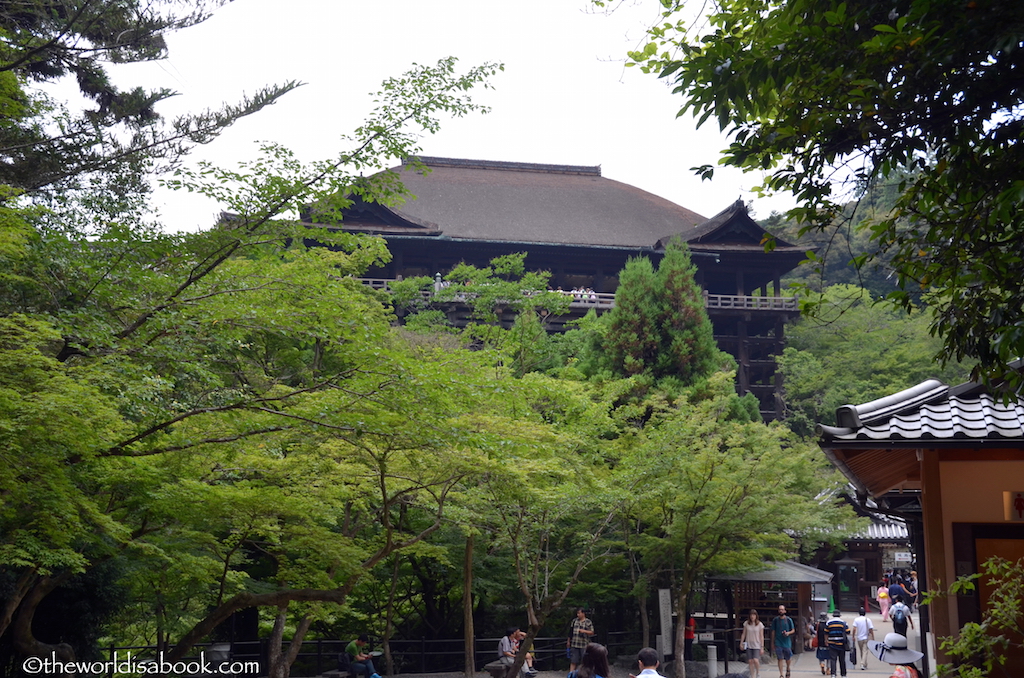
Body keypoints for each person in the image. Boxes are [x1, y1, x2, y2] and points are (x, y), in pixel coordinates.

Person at [770, 604, 796, 678]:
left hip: (787, 642)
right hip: (778, 641)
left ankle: (788, 668)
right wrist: (772, 642)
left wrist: (788, 633)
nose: (781, 611)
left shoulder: (788, 620)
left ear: (785, 611)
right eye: (779, 609)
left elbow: (793, 630)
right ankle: (781, 674)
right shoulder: (775, 620)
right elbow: (773, 631)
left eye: (782, 609)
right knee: (780, 658)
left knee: (788, 658)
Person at [567, 608, 595, 673]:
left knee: (584, 660)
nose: (578, 615)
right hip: (574, 644)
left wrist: (584, 631)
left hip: (584, 644)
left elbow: (592, 632)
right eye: (577, 613)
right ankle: (571, 675)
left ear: (583, 613)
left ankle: (584, 674)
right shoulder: (574, 621)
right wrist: (568, 641)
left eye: (579, 613)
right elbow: (570, 632)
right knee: (573, 660)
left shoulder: (588, 622)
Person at [740, 608, 765, 678]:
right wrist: (741, 642)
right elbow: (743, 634)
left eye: (754, 615)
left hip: (757, 644)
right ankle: (752, 675)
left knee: (756, 660)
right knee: (750, 661)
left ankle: (758, 672)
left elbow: (761, 636)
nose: (752, 616)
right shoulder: (746, 623)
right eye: (751, 615)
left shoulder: (760, 624)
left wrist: (762, 647)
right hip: (749, 644)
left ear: (756, 616)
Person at [825, 610, 851, 678]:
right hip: (842, 644)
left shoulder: (829, 622)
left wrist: (826, 640)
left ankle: (833, 674)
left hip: (832, 643)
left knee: (833, 659)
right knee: (842, 660)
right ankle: (843, 674)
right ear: (839, 615)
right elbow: (848, 632)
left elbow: (826, 632)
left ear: (833, 615)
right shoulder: (844, 623)